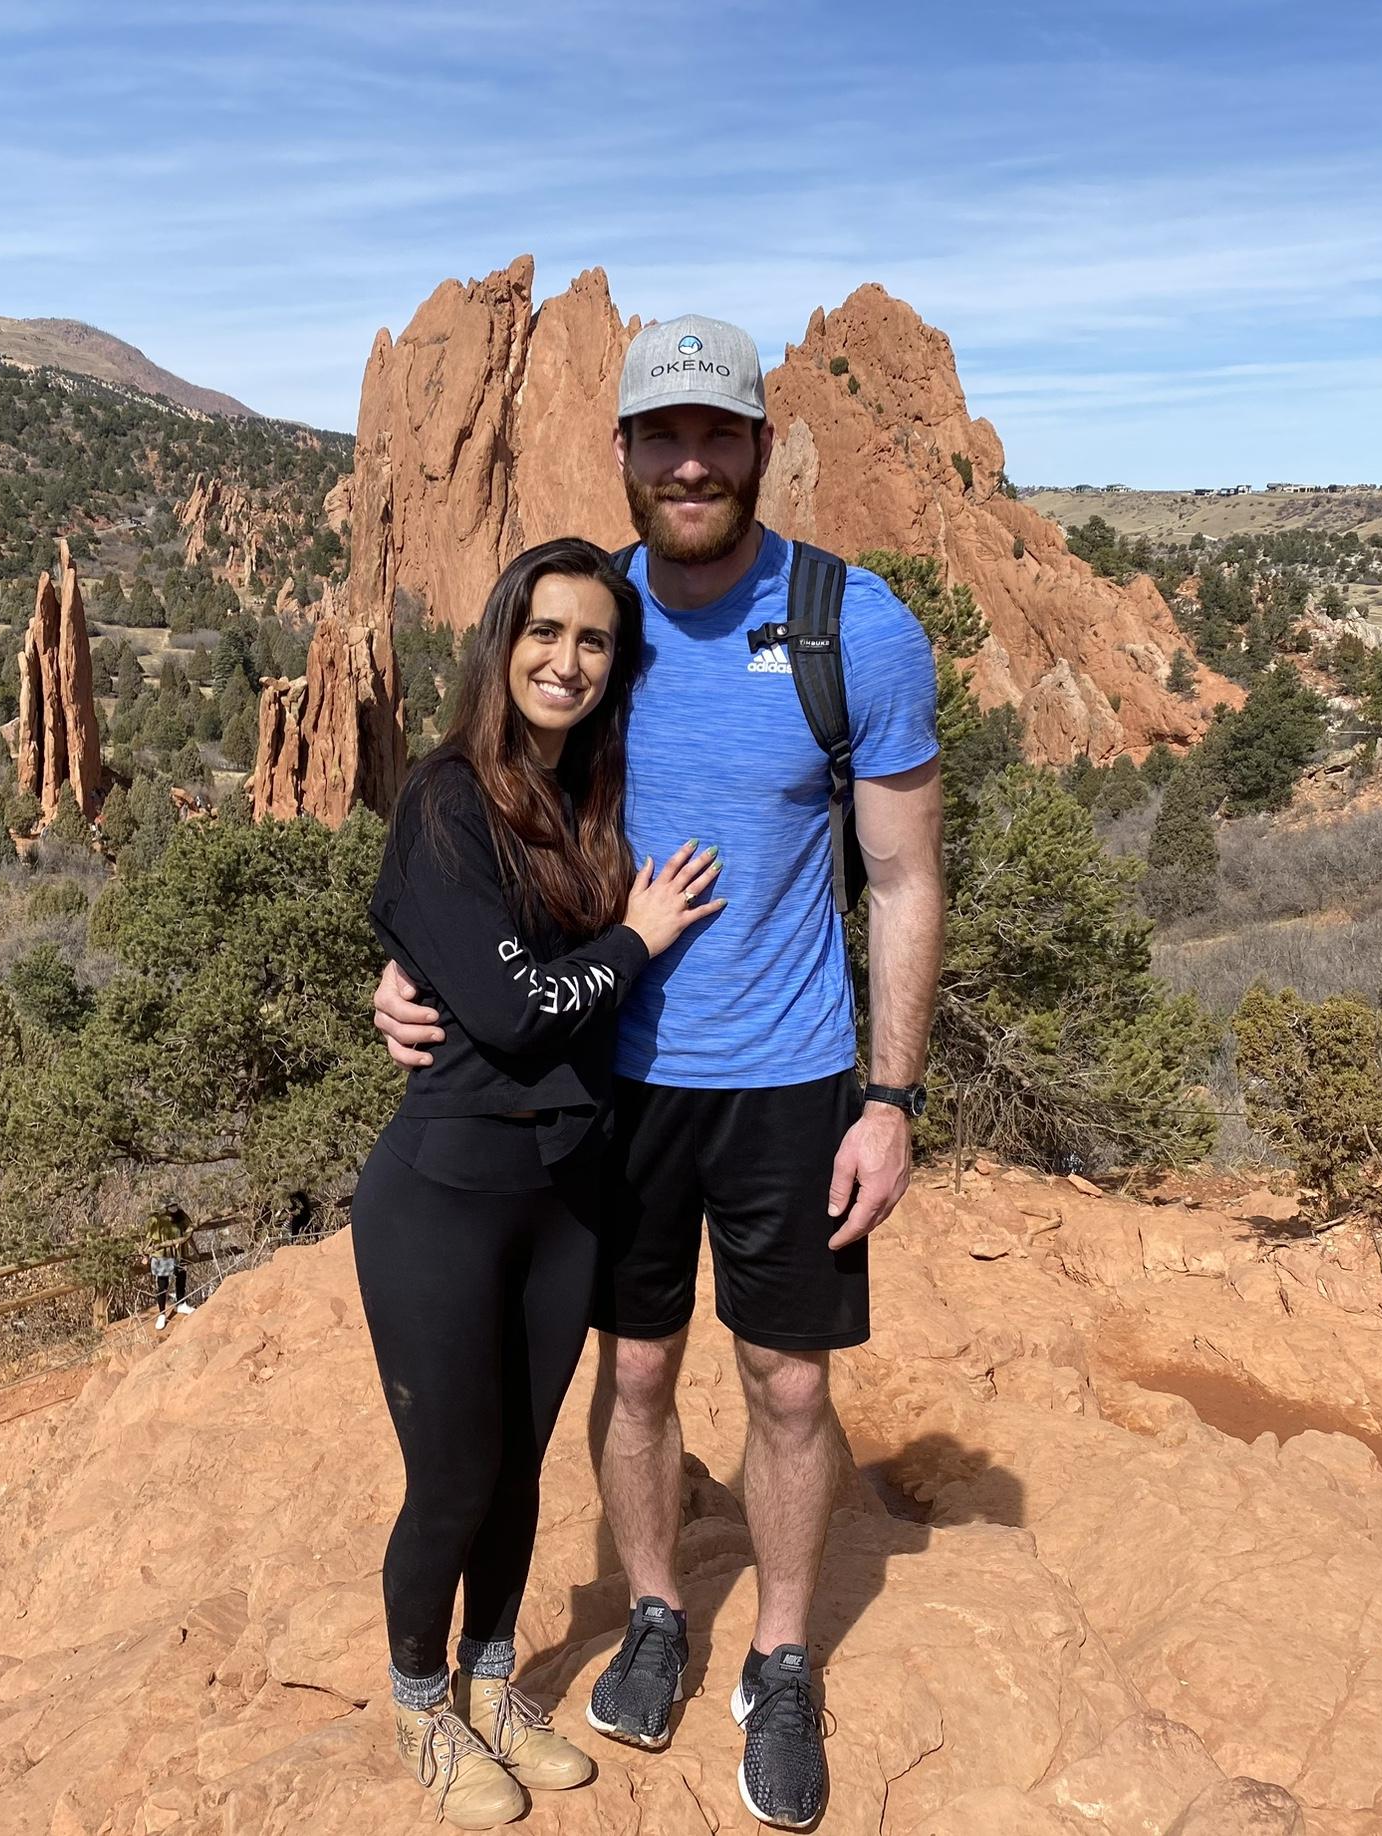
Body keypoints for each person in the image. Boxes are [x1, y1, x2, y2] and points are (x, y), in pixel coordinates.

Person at [375, 316, 945, 1830]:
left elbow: (902, 878)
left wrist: (890, 1102)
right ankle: (650, 1613)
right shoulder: (589, 621)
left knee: (787, 1382)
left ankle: (778, 1660)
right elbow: (489, 810)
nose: (690, 462)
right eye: (660, 436)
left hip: (790, 1075)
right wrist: (417, 963)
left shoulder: (851, 625)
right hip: (610, 1080)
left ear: (763, 445)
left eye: (718, 434)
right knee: (632, 1373)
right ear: (622, 453)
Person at [352, 536, 726, 1829]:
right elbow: (513, 1010)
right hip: (446, 1192)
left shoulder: (589, 802)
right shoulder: (450, 798)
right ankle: (419, 1704)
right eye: (544, 634)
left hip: (566, 1191)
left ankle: (497, 1681)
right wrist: (639, 936)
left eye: (592, 642)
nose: (565, 662)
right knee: (453, 1476)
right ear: (503, 644)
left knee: (517, 1472)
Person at [145, 1205, 193, 1332]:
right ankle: (162, 1314)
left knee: (181, 1276)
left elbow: (190, 1230)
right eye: (171, 1205)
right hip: (162, 1253)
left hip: (179, 1251)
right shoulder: (157, 1218)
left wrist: (195, 1250)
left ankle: (181, 1303)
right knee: (162, 1283)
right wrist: (145, 1253)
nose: (174, 1207)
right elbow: (150, 1239)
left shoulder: (182, 1215)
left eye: (175, 1204)